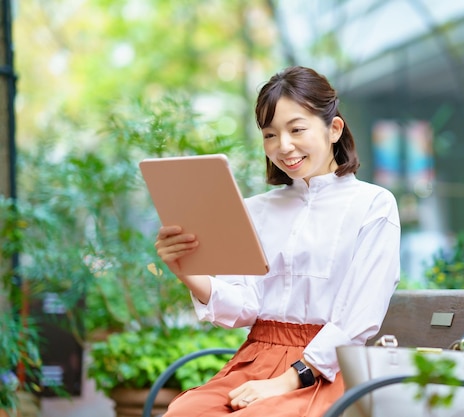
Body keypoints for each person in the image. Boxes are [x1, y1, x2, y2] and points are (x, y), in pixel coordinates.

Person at [154, 66, 401, 417]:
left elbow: (357, 319)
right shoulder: (256, 209)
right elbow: (247, 306)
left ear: (334, 129)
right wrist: (186, 271)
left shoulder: (374, 205)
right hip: (255, 358)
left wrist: (287, 380)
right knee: (185, 412)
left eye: (297, 129)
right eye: (270, 135)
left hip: (328, 369)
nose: (283, 147)